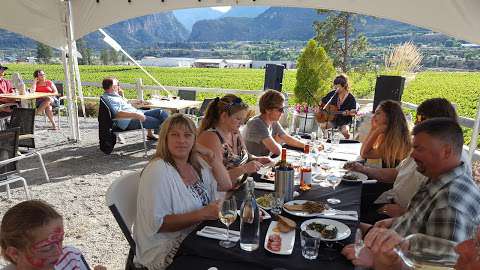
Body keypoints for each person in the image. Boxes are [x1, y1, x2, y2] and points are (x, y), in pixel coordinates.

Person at [342, 118, 480, 269]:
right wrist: (395, 222)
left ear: (446, 151)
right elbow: (421, 226)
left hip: (384, 259)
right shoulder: (440, 178)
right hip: (387, 242)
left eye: (419, 149)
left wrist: (374, 261)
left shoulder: (449, 204)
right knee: (338, 220)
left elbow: (438, 266)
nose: (412, 155)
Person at [133, 114, 232, 270]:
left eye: (187, 135)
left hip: (197, 235)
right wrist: (203, 214)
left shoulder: (196, 163)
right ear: (165, 139)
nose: (181, 140)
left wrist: (211, 155)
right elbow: (158, 224)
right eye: (174, 135)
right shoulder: (158, 170)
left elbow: (226, 184)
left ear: (194, 139)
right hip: (167, 250)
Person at [346, 98, 465, 220]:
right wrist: (363, 169)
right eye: (417, 118)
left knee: (351, 219)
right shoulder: (425, 148)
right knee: (347, 196)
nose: (417, 123)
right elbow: (397, 173)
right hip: (390, 198)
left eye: (421, 119)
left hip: (402, 213)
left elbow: (434, 212)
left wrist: (404, 212)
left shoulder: (447, 160)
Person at [0, 200, 106, 270]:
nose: (59, 252)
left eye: (60, 240)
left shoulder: (69, 257)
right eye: (47, 247)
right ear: (14, 254)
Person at [197, 95, 272, 183]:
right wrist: (244, 169)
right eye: (238, 119)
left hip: (240, 188)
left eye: (243, 119)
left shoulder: (235, 132)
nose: (241, 123)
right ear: (224, 116)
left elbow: (245, 158)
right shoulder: (211, 137)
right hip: (221, 194)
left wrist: (257, 159)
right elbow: (216, 180)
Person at [101, 77, 168, 140]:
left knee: (160, 112)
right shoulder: (110, 98)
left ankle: (165, 138)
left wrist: (139, 102)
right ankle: (165, 141)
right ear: (113, 87)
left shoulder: (114, 95)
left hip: (136, 113)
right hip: (129, 121)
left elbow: (126, 104)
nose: (119, 86)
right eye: (117, 84)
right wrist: (136, 115)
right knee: (161, 122)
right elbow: (118, 114)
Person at [244, 89, 305, 157]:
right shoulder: (256, 124)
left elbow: (286, 138)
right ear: (268, 109)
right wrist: (277, 142)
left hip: (265, 162)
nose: (283, 112)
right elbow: (277, 151)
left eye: (283, 109)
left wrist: (306, 146)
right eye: (280, 109)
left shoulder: (273, 121)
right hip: (254, 165)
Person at [360, 100, 411, 168]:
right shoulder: (391, 134)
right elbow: (362, 153)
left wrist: (376, 131)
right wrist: (373, 129)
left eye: (378, 113)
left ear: (389, 116)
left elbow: (364, 154)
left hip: (394, 178)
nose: (373, 116)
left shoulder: (396, 140)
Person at [317, 74, 357, 139]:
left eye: (338, 87)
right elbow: (322, 101)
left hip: (345, 120)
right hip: (333, 119)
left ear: (344, 86)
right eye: (335, 87)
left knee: (345, 132)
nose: (336, 89)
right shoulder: (333, 94)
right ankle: (328, 137)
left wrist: (349, 113)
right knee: (322, 126)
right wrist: (320, 108)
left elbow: (353, 112)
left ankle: (347, 143)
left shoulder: (350, 98)